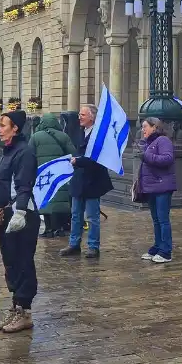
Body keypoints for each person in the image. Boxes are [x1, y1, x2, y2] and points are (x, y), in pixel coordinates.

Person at [0, 110, 39, 333]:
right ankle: (16, 305)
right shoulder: (8, 152)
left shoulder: (24, 152)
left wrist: (20, 212)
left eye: (3, 125)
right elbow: (3, 181)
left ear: (15, 128)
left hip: (21, 214)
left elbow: (23, 185)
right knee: (10, 261)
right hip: (5, 214)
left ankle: (25, 311)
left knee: (22, 261)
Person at [62, 104, 114, 259]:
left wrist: (77, 161)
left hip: (93, 180)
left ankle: (93, 246)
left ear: (92, 117)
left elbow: (96, 159)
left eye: (82, 115)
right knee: (76, 215)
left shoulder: (99, 135)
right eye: (79, 114)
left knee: (92, 216)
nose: (79, 117)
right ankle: (74, 244)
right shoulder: (80, 132)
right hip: (79, 179)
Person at [29, 113, 75, 238]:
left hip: (43, 174)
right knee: (59, 199)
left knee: (45, 199)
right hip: (59, 174)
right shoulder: (63, 136)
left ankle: (48, 229)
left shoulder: (35, 137)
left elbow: (30, 155)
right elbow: (73, 153)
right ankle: (59, 228)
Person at [138, 117, 177, 263]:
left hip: (162, 186)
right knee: (156, 220)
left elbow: (167, 159)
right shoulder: (149, 143)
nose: (143, 130)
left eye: (145, 127)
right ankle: (158, 246)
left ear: (154, 127)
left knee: (163, 220)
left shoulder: (163, 141)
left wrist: (147, 156)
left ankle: (166, 251)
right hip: (151, 187)